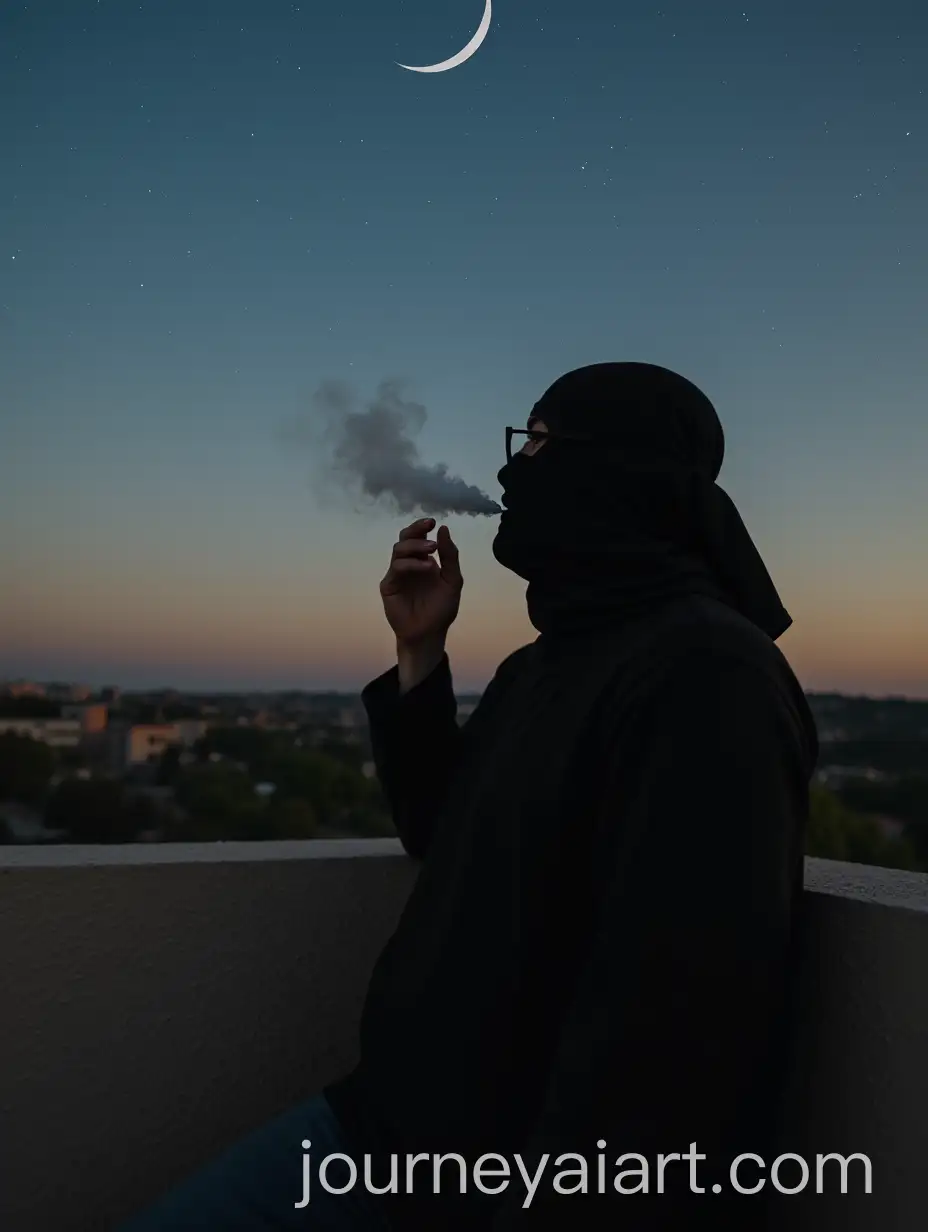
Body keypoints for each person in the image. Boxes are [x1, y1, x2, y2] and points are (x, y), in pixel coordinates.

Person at [120, 362, 818, 1230]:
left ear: (620, 468)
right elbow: (439, 829)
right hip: (383, 1132)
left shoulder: (708, 675)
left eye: (539, 442)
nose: (510, 471)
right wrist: (420, 653)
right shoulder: (546, 663)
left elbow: (678, 1032)